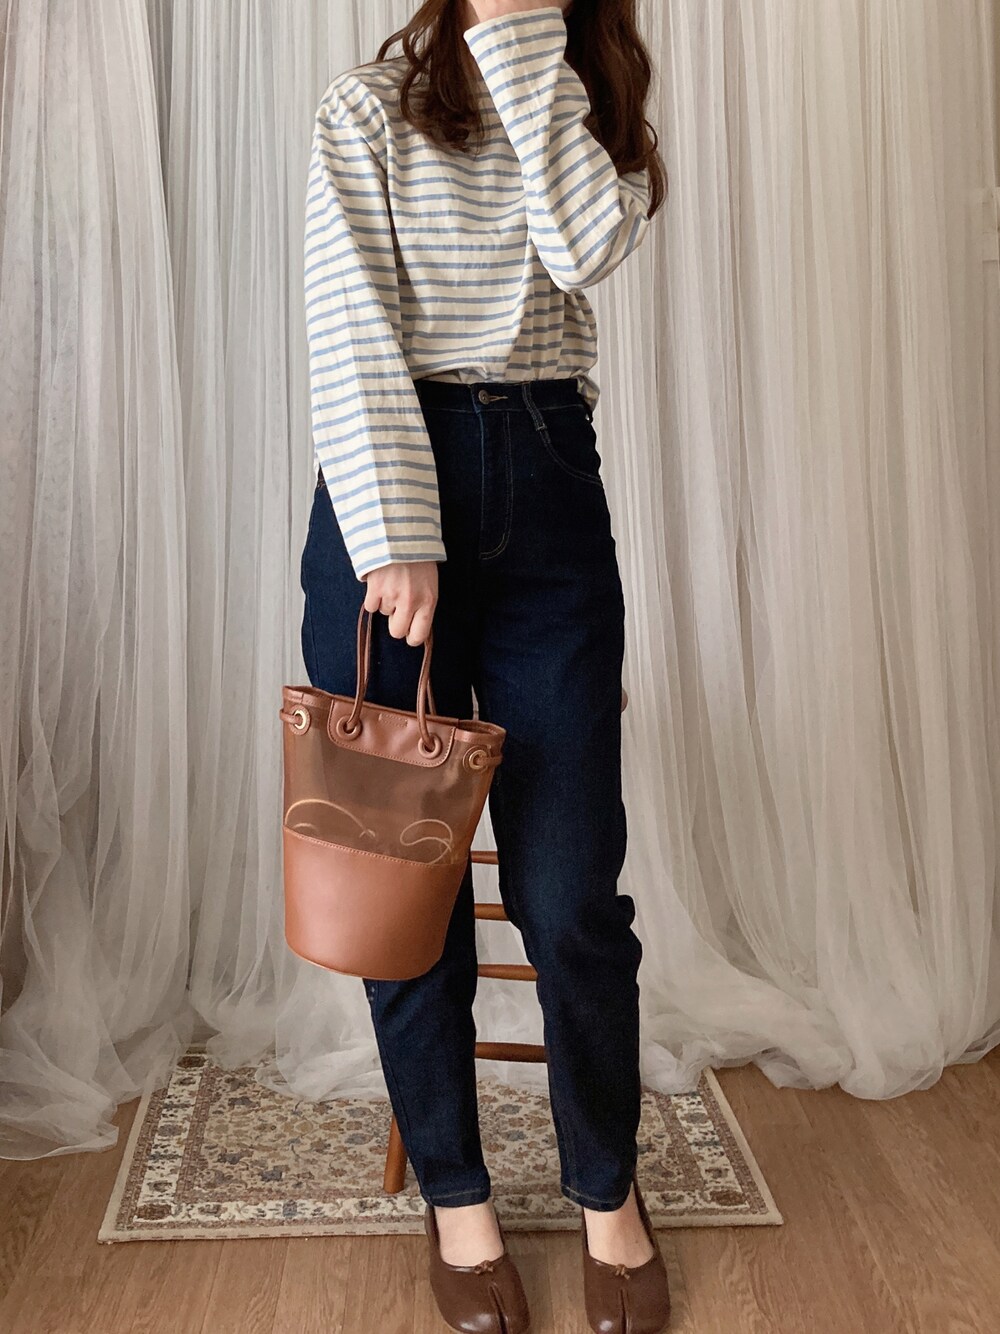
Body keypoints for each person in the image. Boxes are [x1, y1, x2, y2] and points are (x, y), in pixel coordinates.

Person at [301, 1, 670, 1329]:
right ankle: (458, 1201)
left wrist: (524, 49)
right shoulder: (366, 111)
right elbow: (349, 330)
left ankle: (606, 1189)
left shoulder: (588, 116)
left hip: (550, 491)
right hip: (389, 499)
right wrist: (399, 533)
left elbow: (584, 246)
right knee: (404, 888)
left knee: (570, 895)